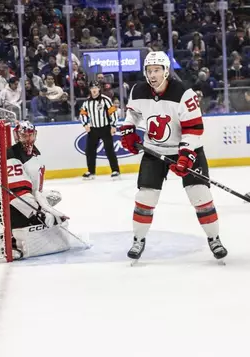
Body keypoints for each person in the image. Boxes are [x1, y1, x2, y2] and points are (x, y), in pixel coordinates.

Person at [119, 51, 227, 261]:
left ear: (166, 71)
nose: (153, 75)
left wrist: (185, 155)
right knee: (145, 198)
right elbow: (132, 113)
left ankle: (214, 238)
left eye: (157, 70)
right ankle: (138, 240)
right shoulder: (138, 90)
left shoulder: (183, 93)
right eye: (149, 70)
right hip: (154, 150)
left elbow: (194, 128)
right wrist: (128, 129)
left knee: (200, 196)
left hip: (187, 150)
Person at [0, 121, 69, 259]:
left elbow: (35, 191)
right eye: (24, 136)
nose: (28, 140)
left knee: (54, 196)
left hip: (24, 199)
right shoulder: (11, 155)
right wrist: (37, 213)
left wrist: (50, 210)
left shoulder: (35, 155)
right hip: (8, 202)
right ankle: (11, 240)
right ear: (17, 136)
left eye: (31, 136)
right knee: (35, 219)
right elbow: (16, 194)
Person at [79, 81, 120, 180]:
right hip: (93, 129)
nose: (94, 90)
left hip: (105, 128)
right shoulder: (87, 102)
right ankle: (91, 171)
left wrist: (113, 125)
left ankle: (115, 170)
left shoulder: (106, 100)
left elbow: (113, 112)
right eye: (92, 88)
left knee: (109, 150)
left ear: (99, 89)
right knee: (90, 151)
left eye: (96, 88)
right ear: (90, 89)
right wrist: (85, 124)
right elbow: (82, 113)